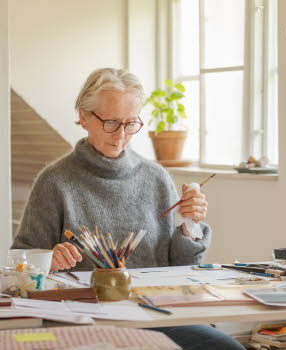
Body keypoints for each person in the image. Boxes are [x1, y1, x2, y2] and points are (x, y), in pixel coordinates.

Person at [12, 68, 245, 350]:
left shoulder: (155, 177)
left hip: (157, 314)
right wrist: (50, 260)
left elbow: (183, 268)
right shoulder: (55, 182)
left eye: (131, 123)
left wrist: (190, 225)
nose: (121, 134)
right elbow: (20, 265)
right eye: (111, 122)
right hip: (85, 316)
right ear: (84, 118)